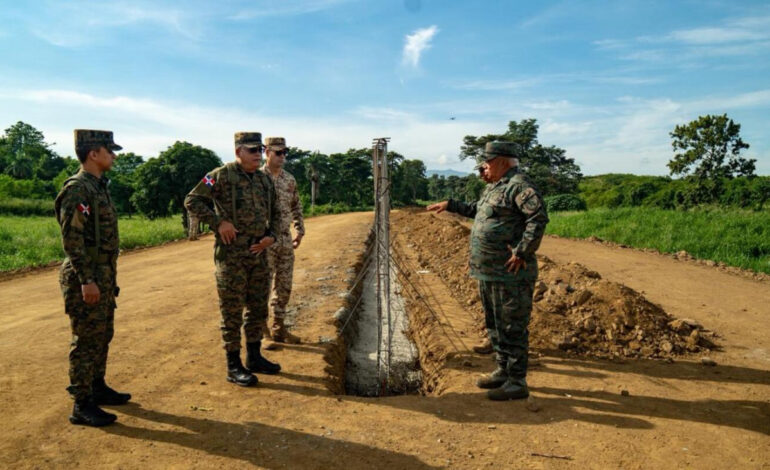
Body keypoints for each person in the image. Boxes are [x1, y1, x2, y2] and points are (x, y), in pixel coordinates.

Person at [427, 141, 549, 400]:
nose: (484, 166)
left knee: (512, 326)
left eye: (488, 161)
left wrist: (522, 252)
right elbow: (476, 211)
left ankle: (517, 381)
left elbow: (537, 218)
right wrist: (450, 204)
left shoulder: (519, 186)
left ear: (503, 161)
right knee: (495, 324)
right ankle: (503, 371)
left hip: (510, 273)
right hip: (490, 271)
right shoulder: (496, 189)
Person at [184, 132, 283, 387]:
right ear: (238, 151)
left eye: (259, 150)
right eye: (252, 150)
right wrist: (219, 223)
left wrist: (271, 237)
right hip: (232, 257)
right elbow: (192, 200)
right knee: (232, 311)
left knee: (258, 308)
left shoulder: (264, 180)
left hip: (258, 255)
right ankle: (233, 365)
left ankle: (254, 357)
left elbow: (276, 214)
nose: (257, 155)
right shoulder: (220, 175)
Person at [55, 129, 131, 427]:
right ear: (93, 154)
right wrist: (86, 279)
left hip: (102, 272)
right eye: (108, 150)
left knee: (102, 334)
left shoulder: (99, 186)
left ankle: (96, 387)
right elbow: (71, 239)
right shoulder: (78, 189)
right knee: (86, 339)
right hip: (84, 274)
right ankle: (81, 404)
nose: (113, 155)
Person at [260, 137, 305, 349]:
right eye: (278, 153)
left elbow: (296, 206)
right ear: (266, 152)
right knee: (263, 285)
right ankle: (262, 332)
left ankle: (279, 327)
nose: (282, 157)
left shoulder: (289, 180)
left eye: (285, 152)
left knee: (284, 285)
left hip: (285, 240)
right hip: (264, 240)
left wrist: (299, 229)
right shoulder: (256, 178)